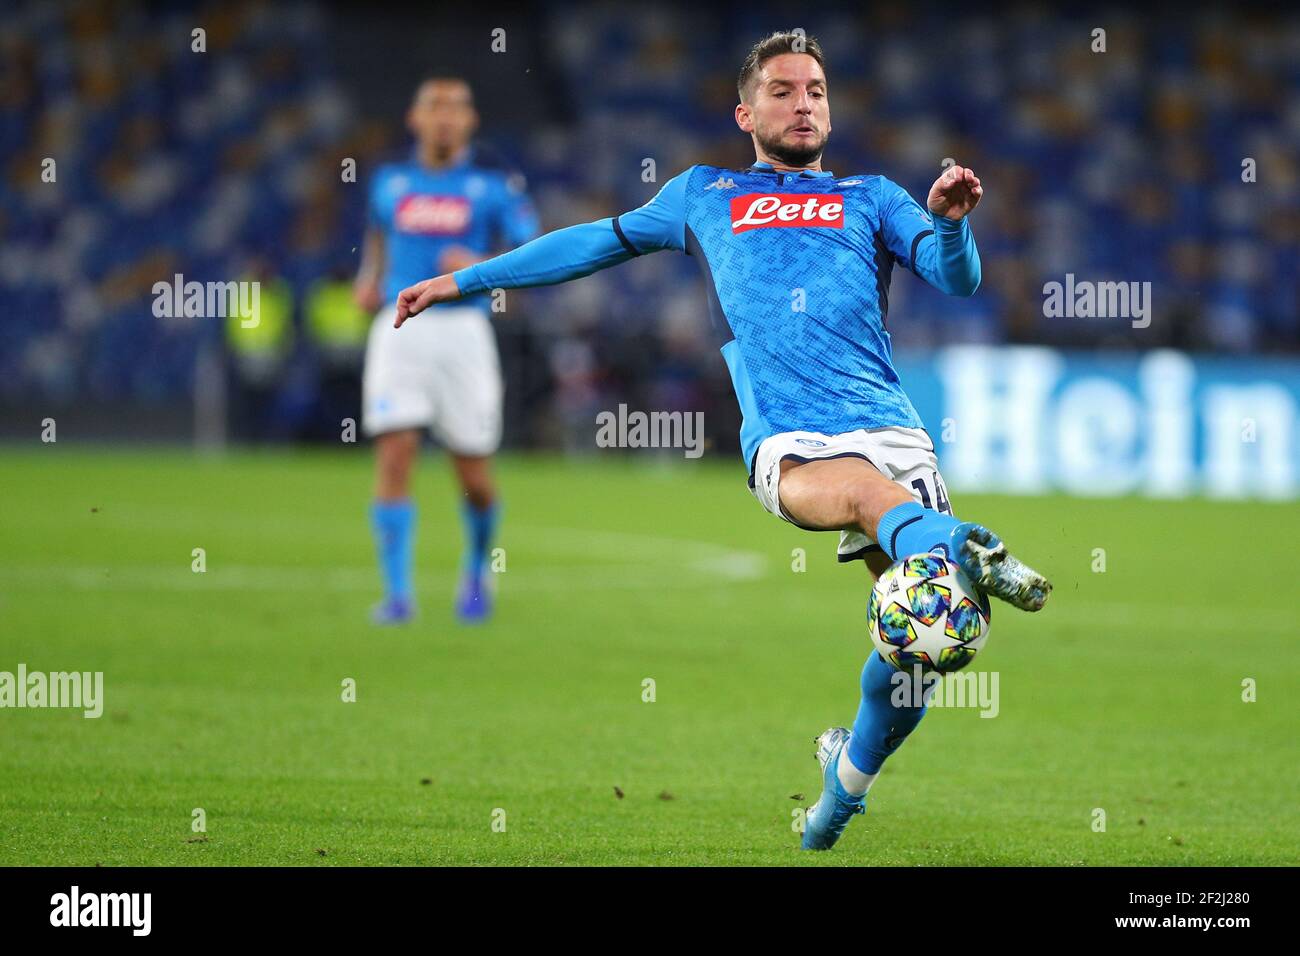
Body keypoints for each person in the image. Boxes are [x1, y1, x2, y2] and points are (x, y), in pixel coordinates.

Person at [392, 34, 1051, 849]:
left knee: (929, 640)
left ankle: (840, 794)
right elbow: (589, 244)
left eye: (814, 90)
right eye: (782, 91)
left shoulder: (873, 196)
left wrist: (952, 225)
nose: (802, 102)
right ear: (746, 113)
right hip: (789, 436)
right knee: (862, 498)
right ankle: (968, 542)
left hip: (893, 429)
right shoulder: (702, 193)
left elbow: (957, 278)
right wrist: (465, 279)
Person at [354, 77, 538, 624]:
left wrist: (476, 260)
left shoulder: (494, 186)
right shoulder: (389, 182)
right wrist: (370, 278)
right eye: (433, 107)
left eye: (455, 107)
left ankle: (478, 567)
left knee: (474, 476)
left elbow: (531, 247)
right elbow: (379, 238)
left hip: (464, 334)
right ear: (414, 119)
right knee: (396, 452)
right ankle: (397, 596)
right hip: (399, 327)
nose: (444, 118)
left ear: (470, 121)